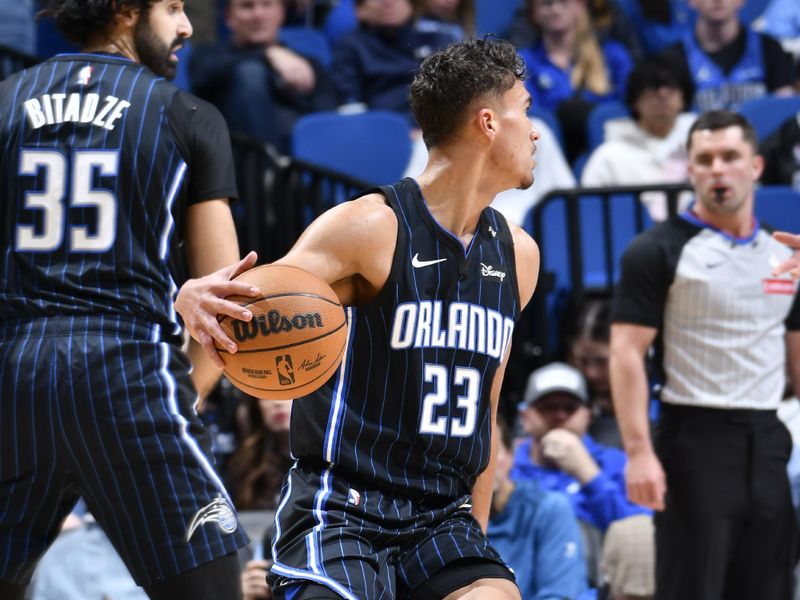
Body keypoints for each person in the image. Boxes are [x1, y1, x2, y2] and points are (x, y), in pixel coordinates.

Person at [176, 37, 541, 599]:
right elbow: (240, 317)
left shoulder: (519, 256)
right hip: (343, 505)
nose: (535, 130)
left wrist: (477, 547)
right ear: (488, 122)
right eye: (526, 111)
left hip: (442, 517)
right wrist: (194, 310)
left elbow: (485, 411)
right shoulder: (368, 228)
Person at [0, 1, 258, 598]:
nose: (187, 25)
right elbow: (228, 299)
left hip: (14, 374)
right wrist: (179, 395)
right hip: (129, 371)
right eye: (172, 7)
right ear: (123, 11)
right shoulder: (188, 114)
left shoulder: (6, 100)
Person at [609, 110, 800, 600]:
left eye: (730, 157)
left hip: (768, 438)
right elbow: (626, 353)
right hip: (694, 441)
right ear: (690, 170)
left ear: (755, 166)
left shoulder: (785, 254)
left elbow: (797, 357)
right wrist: (638, 453)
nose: (718, 169)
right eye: (705, 159)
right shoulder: (655, 251)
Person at [512, 362, 651, 585]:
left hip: (600, 584)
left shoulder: (615, 463)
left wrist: (589, 475)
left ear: (587, 414)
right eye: (547, 407)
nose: (559, 416)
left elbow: (640, 537)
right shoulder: (507, 466)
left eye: (570, 407)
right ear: (525, 417)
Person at [189, 0, 338, 153]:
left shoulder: (305, 63)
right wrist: (267, 53)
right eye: (247, 6)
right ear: (228, 17)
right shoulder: (208, 56)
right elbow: (204, 75)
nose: (258, 15)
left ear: (281, 12)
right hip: (239, 161)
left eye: (267, 5)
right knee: (250, 73)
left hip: (307, 163)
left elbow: (327, 118)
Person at [580, 56, 696, 221]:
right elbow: (589, 214)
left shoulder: (704, 148)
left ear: (684, 98)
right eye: (652, 89)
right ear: (634, 100)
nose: (662, 95)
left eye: (671, 88)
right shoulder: (608, 156)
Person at [518, 0, 634, 162]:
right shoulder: (524, 61)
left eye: (564, 2)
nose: (555, 10)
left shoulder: (613, 55)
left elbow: (631, 105)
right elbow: (527, 112)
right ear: (534, 13)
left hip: (607, 151)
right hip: (550, 152)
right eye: (546, 4)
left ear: (581, 6)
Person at [489, 420, 589, 599]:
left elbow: (560, 593)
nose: (483, 466)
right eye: (472, 457)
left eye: (492, 453)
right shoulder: (443, 515)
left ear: (511, 456)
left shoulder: (548, 508)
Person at [330, 0, 459, 124]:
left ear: (411, 5)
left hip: (437, 129)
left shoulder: (437, 39)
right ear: (359, 10)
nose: (389, 2)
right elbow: (350, 105)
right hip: (381, 132)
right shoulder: (351, 46)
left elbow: (456, 95)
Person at [660, 0, 795, 112]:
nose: (717, 1)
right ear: (692, 1)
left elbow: (784, 109)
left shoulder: (769, 49)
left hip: (763, 141)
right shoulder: (674, 58)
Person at [226, 397, 292, 510]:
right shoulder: (243, 467)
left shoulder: (324, 461)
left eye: (288, 393)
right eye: (267, 396)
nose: (277, 402)